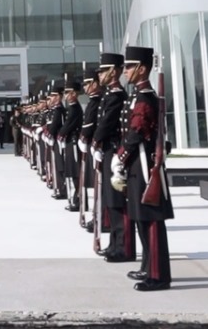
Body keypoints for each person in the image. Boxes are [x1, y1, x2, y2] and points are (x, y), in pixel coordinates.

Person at [116, 45, 174, 291]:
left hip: (144, 165)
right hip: (136, 165)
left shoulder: (145, 97)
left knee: (150, 220)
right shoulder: (137, 96)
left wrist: (120, 156)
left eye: (129, 67)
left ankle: (159, 276)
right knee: (141, 219)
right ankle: (148, 267)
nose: (126, 71)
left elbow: (137, 131)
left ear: (142, 68)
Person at [93, 52, 134, 262]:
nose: (99, 75)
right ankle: (114, 243)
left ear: (113, 71)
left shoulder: (117, 95)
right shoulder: (109, 94)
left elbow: (108, 123)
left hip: (115, 150)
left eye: (102, 70)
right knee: (111, 199)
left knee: (118, 200)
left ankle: (124, 247)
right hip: (108, 150)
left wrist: (96, 141)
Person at [79, 69, 102, 232]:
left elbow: (90, 126)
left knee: (99, 186)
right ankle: (98, 216)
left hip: (99, 147)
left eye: (87, 83)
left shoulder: (96, 101)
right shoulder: (94, 101)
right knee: (96, 187)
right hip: (94, 146)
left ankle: (100, 217)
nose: (85, 87)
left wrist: (87, 139)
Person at [60, 81, 83, 212]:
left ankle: (78, 200)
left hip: (73, 141)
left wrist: (60, 134)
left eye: (68, 92)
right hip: (69, 141)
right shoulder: (71, 107)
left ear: (74, 93)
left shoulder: (74, 108)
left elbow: (68, 125)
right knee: (72, 172)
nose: (66, 95)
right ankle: (75, 198)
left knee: (75, 173)